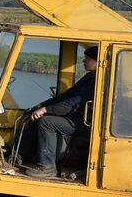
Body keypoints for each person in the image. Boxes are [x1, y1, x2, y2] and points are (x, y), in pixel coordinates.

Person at [23, 46, 98, 178]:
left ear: (97, 62)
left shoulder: (96, 81)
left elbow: (72, 103)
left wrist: (45, 110)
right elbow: (66, 96)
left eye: (87, 59)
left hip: (88, 124)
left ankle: (47, 166)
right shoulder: (89, 77)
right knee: (39, 116)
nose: (84, 61)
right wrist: (41, 106)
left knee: (46, 122)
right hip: (79, 118)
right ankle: (24, 156)